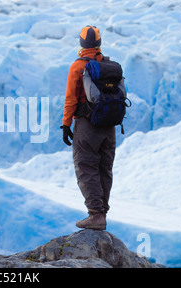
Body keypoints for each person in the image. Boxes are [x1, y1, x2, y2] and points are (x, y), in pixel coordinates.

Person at [61, 25, 116, 231]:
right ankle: (102, 212)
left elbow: (71, 98)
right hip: (109, 126)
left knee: (86, 166)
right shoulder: (109, 65)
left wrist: (66, 124)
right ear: (99, 43)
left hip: (87, 123)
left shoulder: (78, 66)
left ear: (82, 43)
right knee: (104, 167)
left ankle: (95, 214)